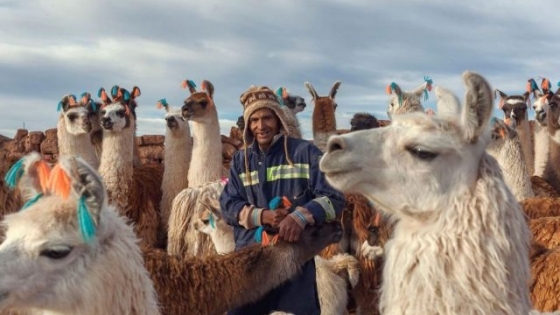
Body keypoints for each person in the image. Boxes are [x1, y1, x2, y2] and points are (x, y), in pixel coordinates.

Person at [220, 86, 345, 315]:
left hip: (294, 264)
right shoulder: (241, 161)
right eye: (254, 120)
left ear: (278, 119)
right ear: (248, 125)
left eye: (267, 117)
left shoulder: (304, 153)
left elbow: (334, 198)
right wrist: (262, 216)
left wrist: (300, 217)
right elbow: (228, 205)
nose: (261, 126)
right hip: (251, 263)